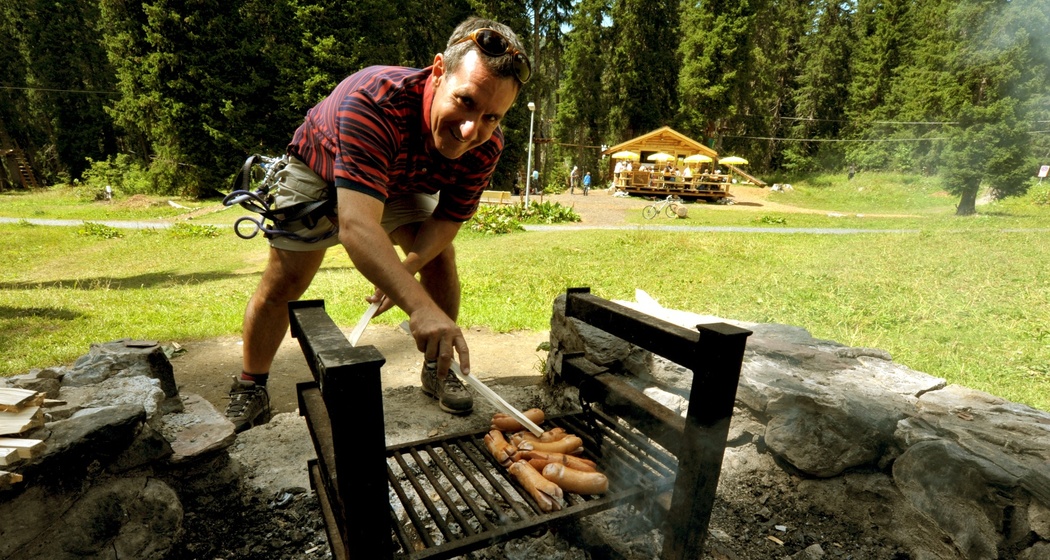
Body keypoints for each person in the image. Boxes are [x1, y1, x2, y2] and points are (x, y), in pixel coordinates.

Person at [225, 17, 531, 432]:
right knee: (286, 282)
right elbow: (357, 226)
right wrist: (419, 305)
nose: (470, 130)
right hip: (319, 170)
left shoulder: (486, 144)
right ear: (438, 71)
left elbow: (447, 219)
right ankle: (251, 385)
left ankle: (437, 370)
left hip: (401, 183)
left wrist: (405, 272)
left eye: (492, 117)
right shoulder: (375, 101)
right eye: (465, 102)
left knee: (438, 259)